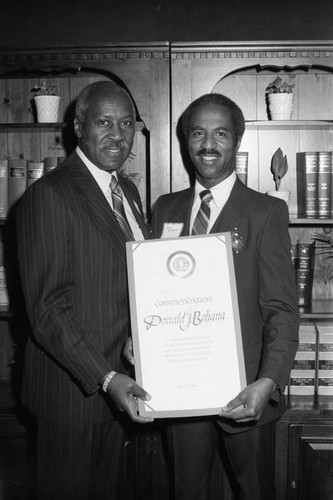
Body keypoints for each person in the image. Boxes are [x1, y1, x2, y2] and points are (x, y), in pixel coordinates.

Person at [149, 93, 299, 499]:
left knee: (255, 492)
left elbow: (281, 309)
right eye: (198, 133)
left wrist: (268, 381)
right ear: (185, 142)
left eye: (220, 133)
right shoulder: (165, 209)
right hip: (180, 391)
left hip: (246, 391)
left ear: (237, 140)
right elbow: (154, 293)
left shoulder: (265, 212)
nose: (208, 144)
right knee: (188, 491)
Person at [15, 80, 154, 500]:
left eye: (126, 123)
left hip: (123, 388)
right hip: (74, 395)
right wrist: (107, 378)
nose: (117, 134)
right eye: (104, 122)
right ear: (78, 127)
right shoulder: (49, 195)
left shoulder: (126, 190)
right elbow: (48, 311)